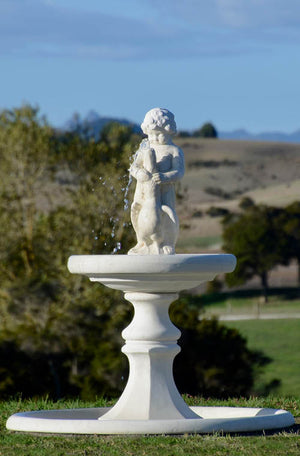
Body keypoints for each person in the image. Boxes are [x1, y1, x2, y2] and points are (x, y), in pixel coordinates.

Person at [128, 108, 184, 255]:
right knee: (137, 211)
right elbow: (133, 167)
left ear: (169, 132)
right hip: (143, 190)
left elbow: (179, 172)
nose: (155, 138)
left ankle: (167, 242)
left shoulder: (173, 150)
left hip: (165, 190)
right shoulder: (145, 149)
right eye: (151, 134)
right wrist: (139, 173)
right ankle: (142, 241)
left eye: (159, 134)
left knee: (168, 214)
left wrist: (166, 177)